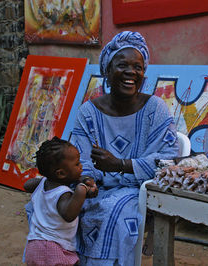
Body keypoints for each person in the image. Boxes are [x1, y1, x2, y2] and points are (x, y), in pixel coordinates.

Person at [70, 31, 179, 265]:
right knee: (58, 201)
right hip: (95, 187)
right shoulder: (88, 113)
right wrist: (87, 180)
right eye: (122, 65)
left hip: (140, 190)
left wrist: (120, 165)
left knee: (112, 210)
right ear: (107, 72)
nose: (131, 72)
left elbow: (169, 161)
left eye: (138, 67)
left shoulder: (155, 109)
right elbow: (80, 158)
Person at [23, 136, 98, 266]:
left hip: (34, 245)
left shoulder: (43, 184)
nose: (81, 166)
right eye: (77, 164)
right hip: (53, 248)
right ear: (61, 174)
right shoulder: (63, 193)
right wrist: (81, 191)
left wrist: (76, 180)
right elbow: (68, 215)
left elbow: (27, 185)